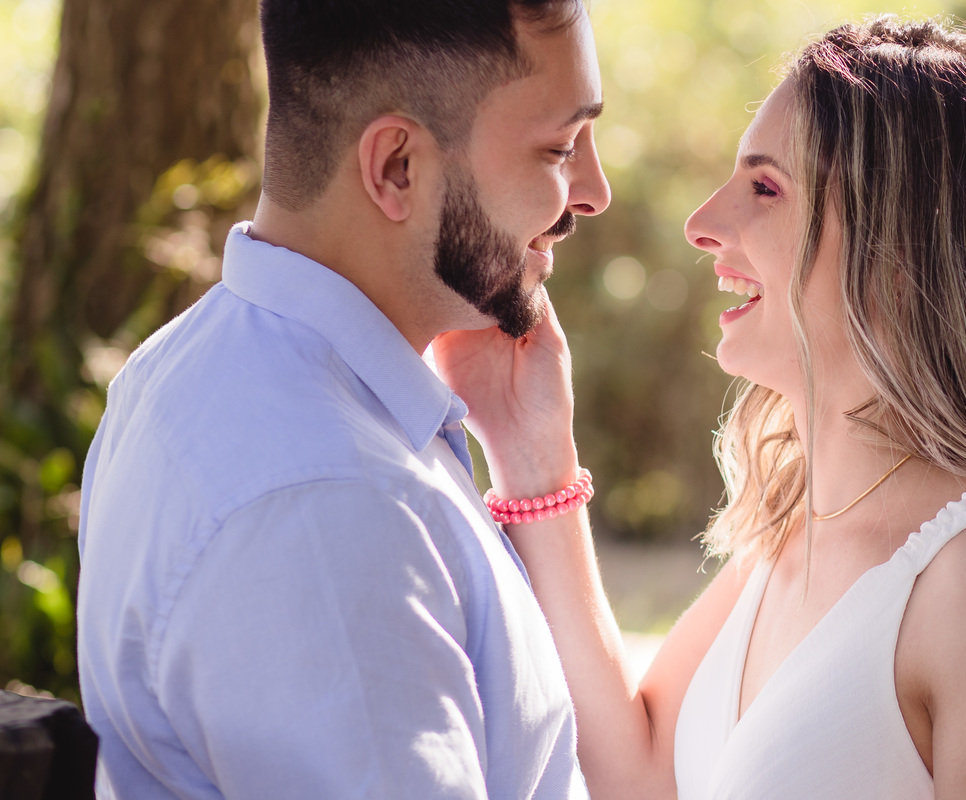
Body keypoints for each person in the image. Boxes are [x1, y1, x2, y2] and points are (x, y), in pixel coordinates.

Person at [434, 14, 966, 799]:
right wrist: (531, 447)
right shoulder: (801, 524)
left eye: (764, 187)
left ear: (898, 243)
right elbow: (643, 773)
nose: (703, 224)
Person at [75, 1, 609, 797]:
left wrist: (533, 460)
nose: (592, 193)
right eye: (561, 148)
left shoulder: (191, 369)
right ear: (397, 166)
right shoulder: (331, 508)